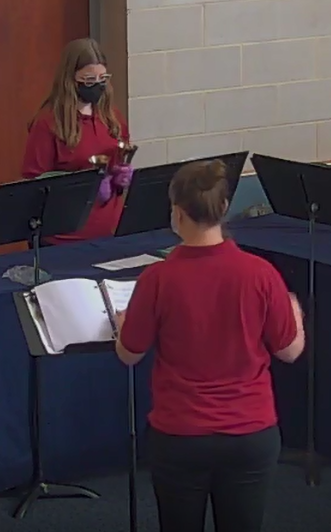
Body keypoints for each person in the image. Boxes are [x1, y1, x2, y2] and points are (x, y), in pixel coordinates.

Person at [113, 161, 305, 532]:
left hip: (180, 434)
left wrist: (123, 327)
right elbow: (290, 351)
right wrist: (294, 313)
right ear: (224, 208)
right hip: (250, 433)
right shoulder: (261, 273)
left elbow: (129, 354)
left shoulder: (157, 278)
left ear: (177, 213)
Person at [22, 38, 133, 242]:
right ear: (70, 79)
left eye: (103, 78)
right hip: (64, 239)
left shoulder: (113, 118)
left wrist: (120, 178)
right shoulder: (48, 123)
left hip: (110, 233)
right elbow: (34, 186)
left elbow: (118, 165)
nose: (97, 85)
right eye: (89, 80)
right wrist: (86, 187)